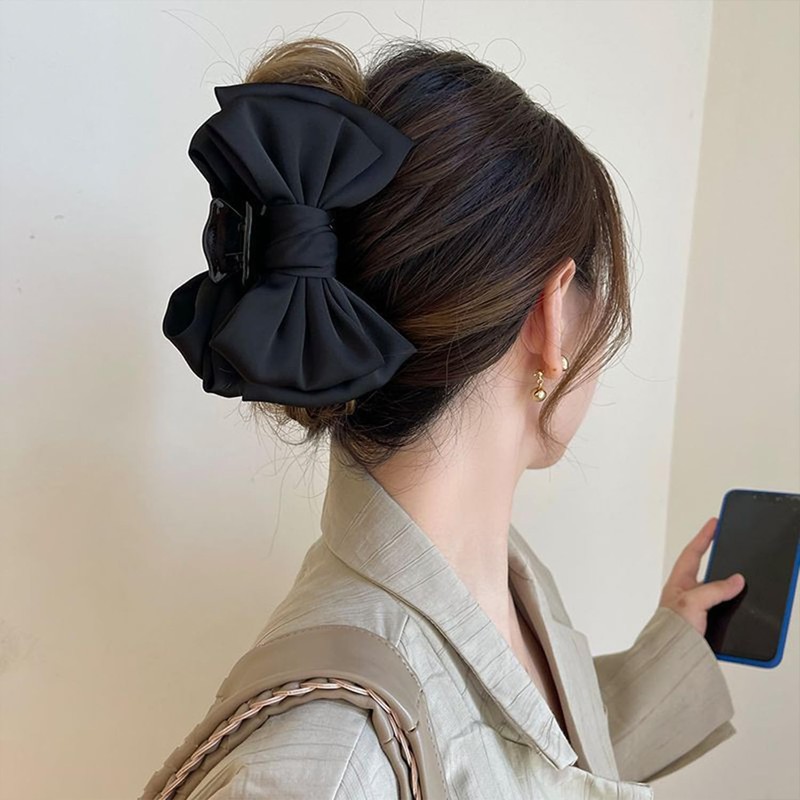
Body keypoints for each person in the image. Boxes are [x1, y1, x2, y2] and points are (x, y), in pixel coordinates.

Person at [141, 35, 744, 800]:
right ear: (555, 314)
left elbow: (520, 760)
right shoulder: (328, 768)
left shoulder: (506, 583)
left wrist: (674, 648)